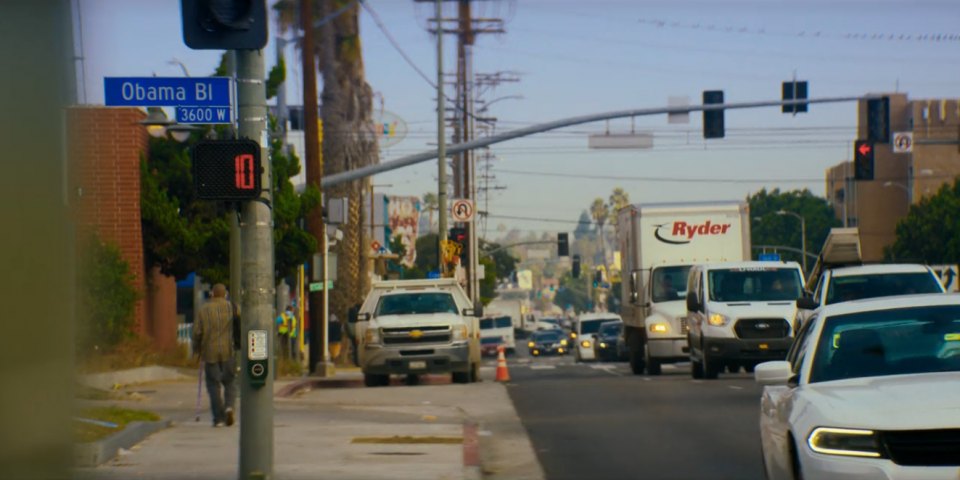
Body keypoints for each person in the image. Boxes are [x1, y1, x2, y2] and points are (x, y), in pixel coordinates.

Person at [192, 284, 238, 428]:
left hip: (209, 352)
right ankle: (229, 407)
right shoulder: (232, 308)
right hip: (228, 350)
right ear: (225, 295)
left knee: (213, 385)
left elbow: (197, 333)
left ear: (212, 294)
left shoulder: (203, 309)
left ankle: (218, 419)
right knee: (230, 381)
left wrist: (197, 350)